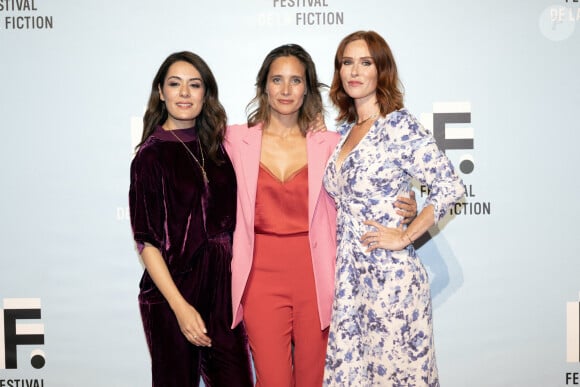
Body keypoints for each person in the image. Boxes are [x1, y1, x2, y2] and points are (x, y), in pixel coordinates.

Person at [322, 31, 466, 386]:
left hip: (391, 282)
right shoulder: (345, 131)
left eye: (365, 62)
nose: (354, 71)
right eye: (347, 62)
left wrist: (405, 235)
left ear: (381, 71)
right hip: (350, 282)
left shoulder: (397, 125)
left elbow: (451, 186)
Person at [129, 51, 253, 387]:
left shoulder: (218, 145)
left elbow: (273, 136)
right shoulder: (150, 156)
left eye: (194, 85)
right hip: (174, 294)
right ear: (161, 92)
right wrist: (181, 309)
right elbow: (147, 242)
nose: (184, 93)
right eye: (175, 84)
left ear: (205, 94)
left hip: (222, 294)